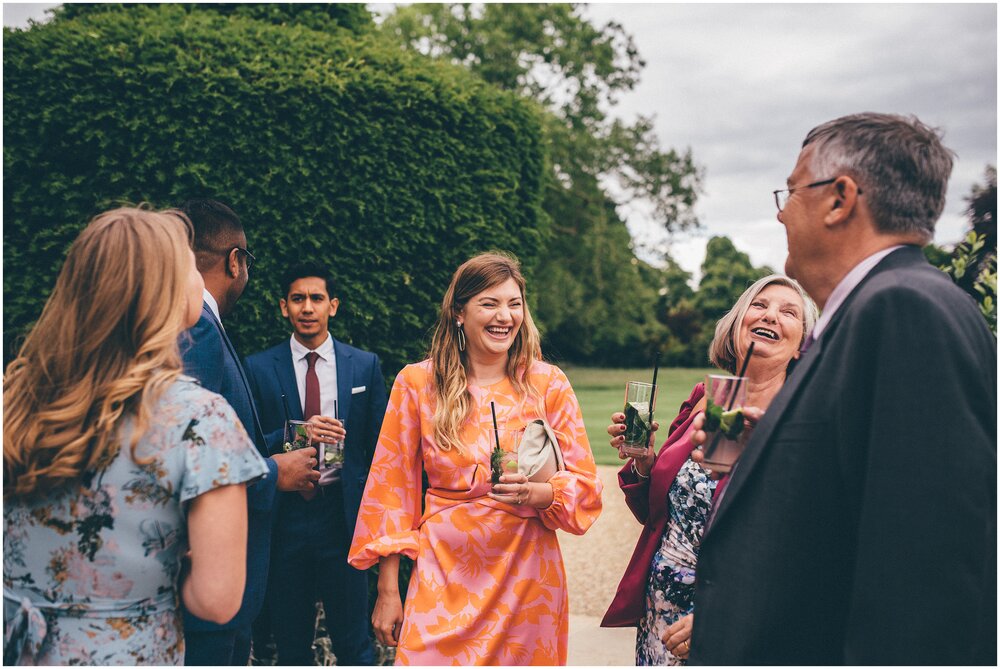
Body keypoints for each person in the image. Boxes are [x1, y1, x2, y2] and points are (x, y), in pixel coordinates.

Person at [688, 113, 997, 665]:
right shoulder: (875, 309)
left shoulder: (902, 309)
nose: (782, 212)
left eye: (791, 191)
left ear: (840, 199)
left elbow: (926, 574)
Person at [3, 208, 268, 665]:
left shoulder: (16, 399)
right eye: (188, 264)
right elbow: (217, 598)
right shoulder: (200, 419)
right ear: (161, 290)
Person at [348, 252, 603, 665]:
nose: (505, 316)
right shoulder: (416, 383)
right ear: (458, 312)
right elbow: (391, 490)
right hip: (443, 578)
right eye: (490, 303)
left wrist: (537, 493)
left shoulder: (547, 384)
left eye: (514, 303)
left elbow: (585, 488)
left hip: (527, 581)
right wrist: (388, 590)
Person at [600, 275, 817, 665]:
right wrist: (646, 462)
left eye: (789, 312)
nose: (770, 315)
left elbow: (803, 548)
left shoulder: (801, 422)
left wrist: (722, 612)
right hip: (659, 619)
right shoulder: (705, 400)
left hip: (733, 620)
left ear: (803, 343)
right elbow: (666, 514)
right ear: (737, 322)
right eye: (760, 304)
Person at [177, 199, 319, 666]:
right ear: (235, 262)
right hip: (209, 597)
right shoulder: (196, 327)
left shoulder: (200, 324)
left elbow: (222, 433)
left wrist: (282, 439)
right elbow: (188, 450)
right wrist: (273, 472)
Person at [244, 263, 388, 665]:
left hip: (341, 518)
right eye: (298, 299)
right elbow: (246, 444)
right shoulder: (257, 368)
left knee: (354, 641)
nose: (307, 307)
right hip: (286, 517)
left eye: (317, 298)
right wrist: (295, 437)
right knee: (290, 642)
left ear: (333, 306)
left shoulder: (364, 365)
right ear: (283, 307)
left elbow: (381, 447)